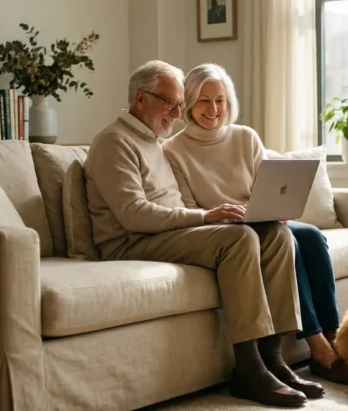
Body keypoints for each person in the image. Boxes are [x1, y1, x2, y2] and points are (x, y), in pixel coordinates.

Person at [83, 60, 320, 407]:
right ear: (140, 98)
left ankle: (274, 357)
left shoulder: (153, 139)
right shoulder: (113, 142)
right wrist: (206, 217)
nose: (178, 114)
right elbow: (133, 215)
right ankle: (248, 369)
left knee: (277, 235)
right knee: (238, 239)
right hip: (130, 242)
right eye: (171, 103)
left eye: (180, 104)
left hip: (163, 235)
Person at [161, 63, 343, 383]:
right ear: (188, 101)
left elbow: (269, 185)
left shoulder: (246, 137)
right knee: (287, 239)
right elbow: (189, 209)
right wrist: (226, 212)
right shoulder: (173, 149)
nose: (214, 109)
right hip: (224, 230)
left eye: (220, 100)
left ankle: (333, 336)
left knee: (312, 236)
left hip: (260, 218)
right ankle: (316, 344)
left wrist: (276, 206)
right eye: (204, 100)